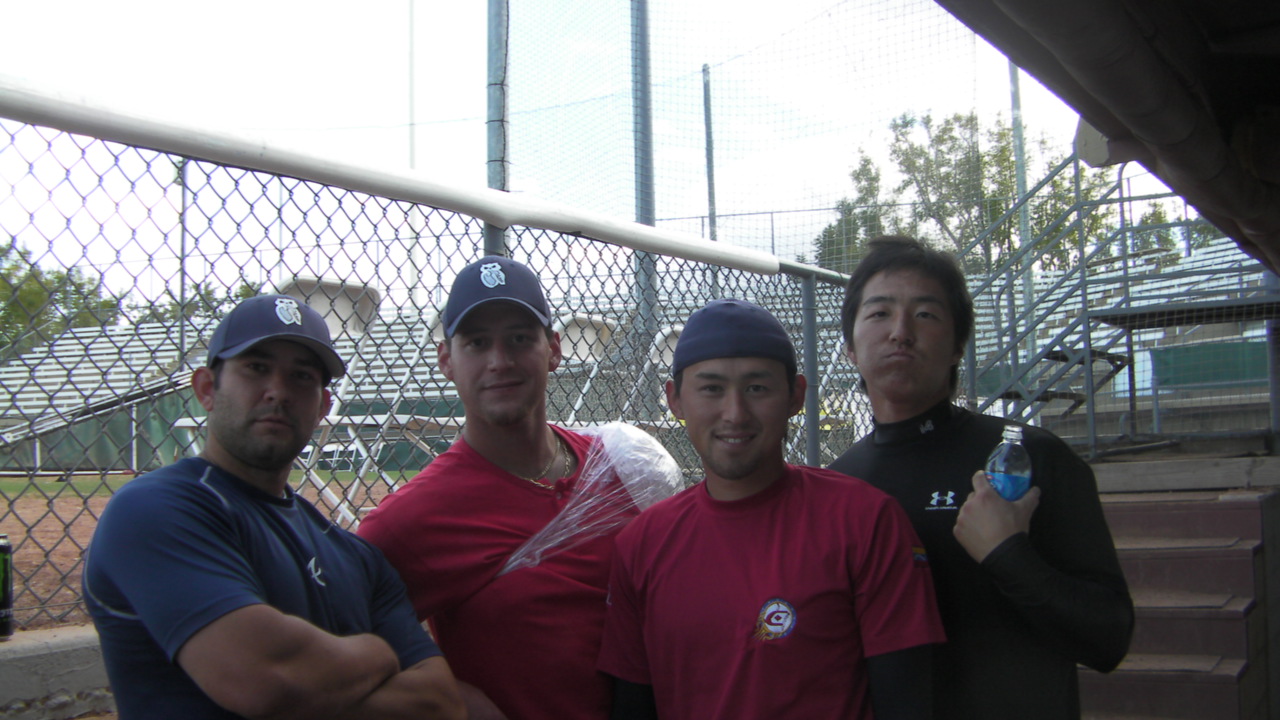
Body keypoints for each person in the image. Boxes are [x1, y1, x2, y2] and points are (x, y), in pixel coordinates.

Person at [83, 294, 465, 720]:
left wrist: (317, 680)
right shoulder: (155, 510)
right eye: (256, 368)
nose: (278, 392)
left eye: (301, 376)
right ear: (207, 388)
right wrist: (378, 653)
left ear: (322, 408)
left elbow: (440, 703)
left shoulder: (356, 555)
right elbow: (263, 680)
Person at [828, 235, 1134, 720]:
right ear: (849, 347)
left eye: (925, 314)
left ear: (957, 346)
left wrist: (1008, 554)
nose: (900, 332)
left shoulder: (1029, 459)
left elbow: (1108, 639)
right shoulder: (837, 486)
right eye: (879, 313)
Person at [598, 299, 946, 720]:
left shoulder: (864, 520)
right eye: (711, 388)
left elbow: (906, 699)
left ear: (795, 395)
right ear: (675, 400)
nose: (735, 414)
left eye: (757, 388)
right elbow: (633, 703)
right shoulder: (642, 545)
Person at [359, 255, 635, 720]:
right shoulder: (413, 518)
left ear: (554, 349)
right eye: (477, 342)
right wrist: (451, 696)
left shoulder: (614, 466)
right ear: (446, 360)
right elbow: (341, 640)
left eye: (520, 338)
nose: (499, 361)